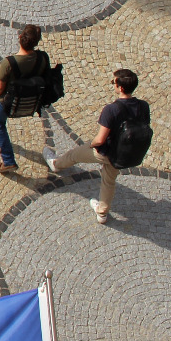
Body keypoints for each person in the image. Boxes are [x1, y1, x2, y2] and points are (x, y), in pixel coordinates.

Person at [45, 69, 150, 225]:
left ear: (120, 88)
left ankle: (56, 165)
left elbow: (100, 140)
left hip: (105, 152)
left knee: (75, 154)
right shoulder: (143, 106)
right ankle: (102, 213)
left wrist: (91, 145)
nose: (113, 84)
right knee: (109, 182)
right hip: (122, 155)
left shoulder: (112, 109)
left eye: (113, 82)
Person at [0, 24, 48, 172]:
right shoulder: (42, 58)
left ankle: (8, 161)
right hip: (31, 100)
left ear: (20, 38)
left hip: (10, 102)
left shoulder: (9, 63)